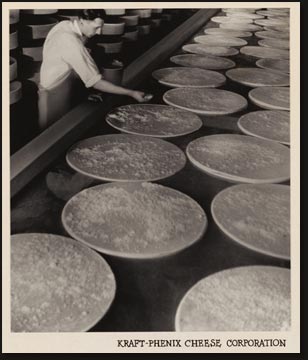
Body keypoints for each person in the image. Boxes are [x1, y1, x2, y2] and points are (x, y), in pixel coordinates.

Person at [39, 9, 151, 103]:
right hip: (53, 93)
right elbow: (96, 82)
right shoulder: (71, 42)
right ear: (82, 20)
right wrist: (131, 93)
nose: (99, 32)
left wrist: (83, 93)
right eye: (96, 27)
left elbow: (71, 61)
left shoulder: (64, 25)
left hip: (54, 84)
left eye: (101, 27)